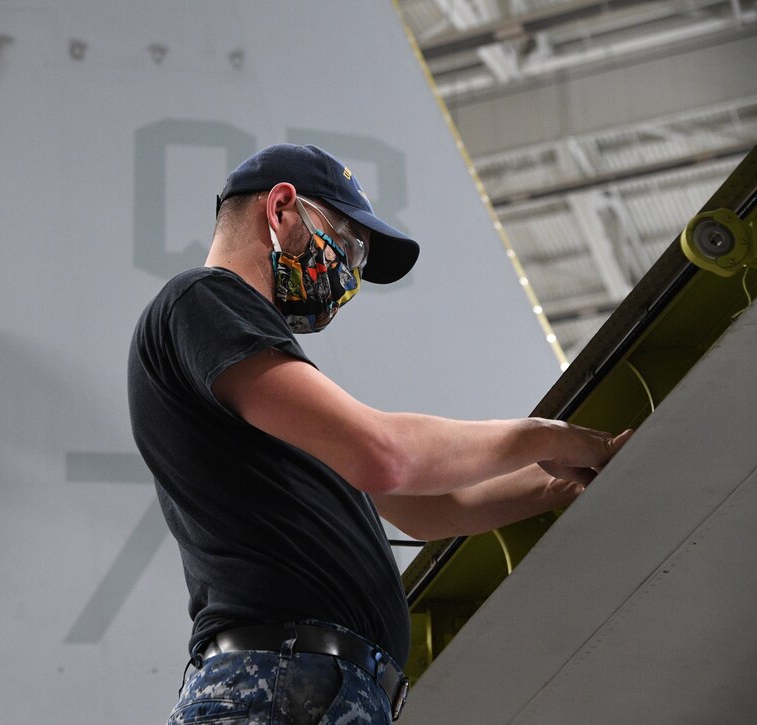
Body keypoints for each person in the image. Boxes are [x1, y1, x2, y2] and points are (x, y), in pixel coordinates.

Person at [127, 144, 632, 724]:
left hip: (308, 689)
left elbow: (433, 507)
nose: (349, 272)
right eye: (348, 244)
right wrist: (544, 436)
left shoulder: (268, 396)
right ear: (283, 209)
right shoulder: (203, 301)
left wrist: (564, 483)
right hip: (275, 683)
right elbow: (384, 457)